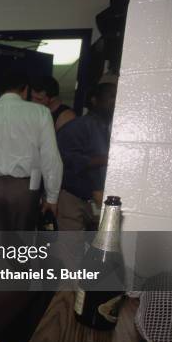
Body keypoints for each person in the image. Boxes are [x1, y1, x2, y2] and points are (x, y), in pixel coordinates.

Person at [0, 72, 62, 231]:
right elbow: (50, 158)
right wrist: (52, 197)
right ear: (25, 90)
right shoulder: (40, 113)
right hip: (25, 191)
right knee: (20, 245)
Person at [56, 82, 117, 231]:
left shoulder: (117, 128)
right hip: (74, 199)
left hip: (100, 201)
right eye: (111, 96)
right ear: (95, 100)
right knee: (70, 250)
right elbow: (64, 158)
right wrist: (105, 160)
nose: (115, 101)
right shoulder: (77, 126)